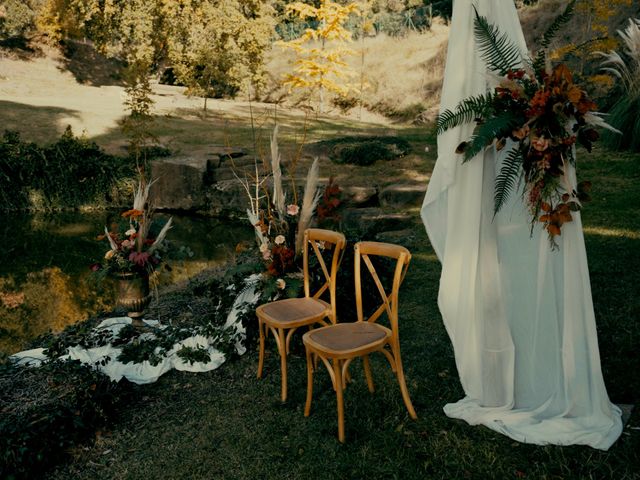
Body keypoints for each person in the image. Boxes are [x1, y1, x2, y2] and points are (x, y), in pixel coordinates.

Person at [421, 0, 622, 450]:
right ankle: (516, 371)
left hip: (528, 164)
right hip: (518, 152)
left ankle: (534, 377)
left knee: (522, 264)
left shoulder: (508, 70)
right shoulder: (498, 73)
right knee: (512, 266)